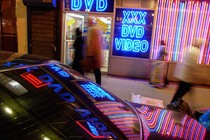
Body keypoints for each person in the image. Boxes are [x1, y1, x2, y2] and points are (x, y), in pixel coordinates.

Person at [170, 38, 203, 103]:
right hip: (187, 75)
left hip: (182, 73)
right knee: (182, 90)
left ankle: (176, 102)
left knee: (183, 89)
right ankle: (173, 103)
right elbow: (192, 64)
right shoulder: (196, 51)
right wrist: (196, 73)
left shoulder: (189, 48)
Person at [86, 17, 103, 85]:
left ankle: (98, 84)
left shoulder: (92, 30)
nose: (87, 23)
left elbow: (92, 43)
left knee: (95, 70)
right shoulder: (97, 29)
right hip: (96, 53)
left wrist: (89, 54)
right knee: (97, 70)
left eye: (88, 22)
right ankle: (98, 83)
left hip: (94, 54)